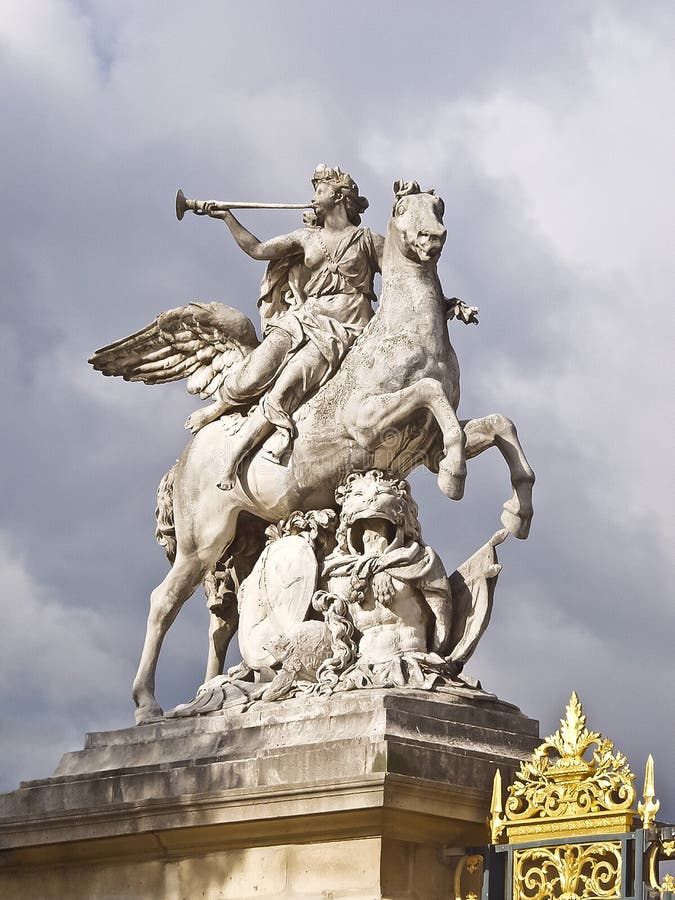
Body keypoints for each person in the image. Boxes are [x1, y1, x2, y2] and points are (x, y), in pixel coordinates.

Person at [196, 164, 384, 490]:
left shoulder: (369, 240)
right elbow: (257, 250)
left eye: (319, 190)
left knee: (288, 382)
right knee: (254, 373)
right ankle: (223, 404)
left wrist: (446, 303)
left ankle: (237, 457)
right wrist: (228, 217)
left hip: (343, 328)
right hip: (302, 320)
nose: (312, 198)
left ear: (338, 196)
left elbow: (402, 280)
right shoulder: (305, 237)